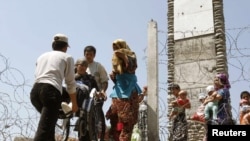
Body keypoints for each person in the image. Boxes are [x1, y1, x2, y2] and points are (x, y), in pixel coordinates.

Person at [30, 33, 78, 141]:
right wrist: (74, 104)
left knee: (49, 129)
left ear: (53, 45)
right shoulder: (67, 57)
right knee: (43, 132)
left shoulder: (41, 56)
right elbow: (70, 82)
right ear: (65, 47)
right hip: (50, 92)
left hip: (35, 93)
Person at [106, 39, 142, 141]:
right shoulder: (118, 60)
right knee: (118, 122)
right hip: (120, 93)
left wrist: (124, 57)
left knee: (126, 123)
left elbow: (131, 67)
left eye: (117, 48)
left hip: (127, 92)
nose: (115, 51)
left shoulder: (130, 56)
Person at [83, 45, 109, 141]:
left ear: (94, 55)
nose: (88, 56)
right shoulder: (81, 66)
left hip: (96, 95)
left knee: (94, 119)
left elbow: (105, 81)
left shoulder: (98, 66)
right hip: (84, 95)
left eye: (90, 54)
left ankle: (97, 136)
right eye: (86, 54)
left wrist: (102, 91)